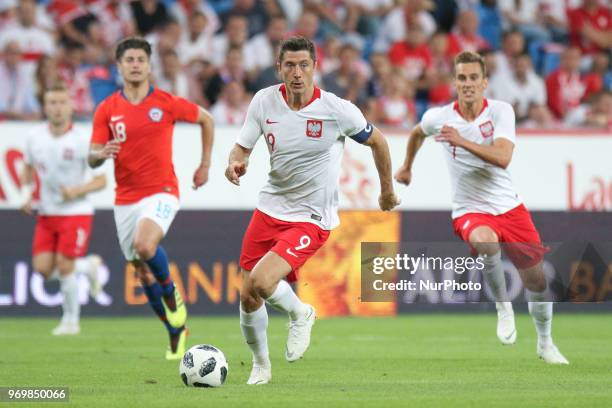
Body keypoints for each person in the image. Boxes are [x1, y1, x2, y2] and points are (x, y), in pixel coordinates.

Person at [225, 36, 400, 385]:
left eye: (304, 65)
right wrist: (234, 163)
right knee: (247, 296)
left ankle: (301, 312)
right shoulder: (264, 101)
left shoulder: (337, 110)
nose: (297, 73)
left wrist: (387, 190)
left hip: (311, 217)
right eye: (289, 65)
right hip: (269, 208)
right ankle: (261, 365)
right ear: (279, 68)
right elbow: (241, 147)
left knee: (261, 281)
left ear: (315, 67)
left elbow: (378, 142)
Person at [395, 51, 569, 365]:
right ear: (454, 82)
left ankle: (546, 343)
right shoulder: (439, 117)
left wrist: (461, 141)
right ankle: (503, 308)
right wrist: (407, 167)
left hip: (509, 208)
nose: (468, 83)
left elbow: (503, 157)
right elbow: (417, 132)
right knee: (486, 242)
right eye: (462, 78)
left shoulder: (501, 112)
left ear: (485, 82)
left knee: (537, 282)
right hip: (469, 208)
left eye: (474, 77)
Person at [88, 37, 214, 360]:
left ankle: (172, 293)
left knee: (146, 246)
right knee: (141, 270)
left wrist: (204, 164)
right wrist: (101, 154)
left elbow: (206, 119)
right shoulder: (107, 110)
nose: (134, 64)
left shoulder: (166, 102)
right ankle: (175, 329)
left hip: (162, 191)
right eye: (128, 59)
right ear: (119, 66)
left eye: (140, 59)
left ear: (148, 65)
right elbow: (91, 156)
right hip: (125, 198)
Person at [19, 83, 106, 335]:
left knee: (65, 266)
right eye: (52, 103)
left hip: (76, 212)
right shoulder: (35, 137)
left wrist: (76, 191)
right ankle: (88, 266)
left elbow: (101, 180)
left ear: (70, 107)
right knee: (43, 270)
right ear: (45, 107)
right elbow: (27, 166)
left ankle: (71, 321)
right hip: (47, 213)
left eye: (61, 103)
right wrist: (27, 195)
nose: (57, 108)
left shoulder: (83, 140)